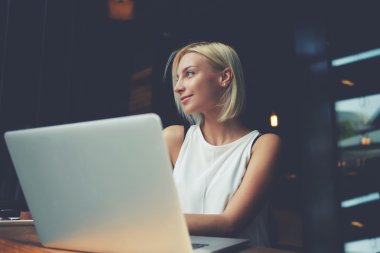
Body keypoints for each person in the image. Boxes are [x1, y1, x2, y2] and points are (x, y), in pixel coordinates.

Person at [163, 41, 281, 247]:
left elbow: (230, 224)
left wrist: (150, 222)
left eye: (189, 74)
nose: (178, 87)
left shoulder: (263, 145)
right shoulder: (173, 139)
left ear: (224, 77)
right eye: (177, 77)